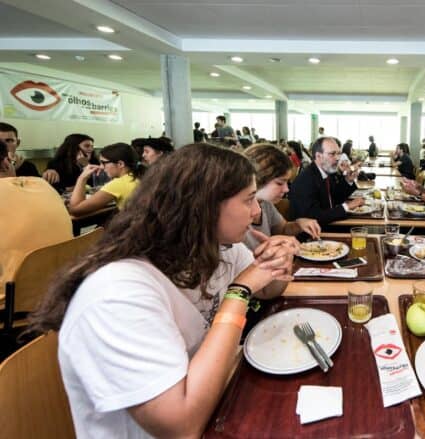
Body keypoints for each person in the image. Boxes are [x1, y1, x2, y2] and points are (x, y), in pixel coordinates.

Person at [28, 143, 298, 438]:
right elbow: (181, 427)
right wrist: (240, 291)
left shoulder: (217, 247)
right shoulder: (118, 294)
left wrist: (275, 264)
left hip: (218, 404)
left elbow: (270, 291)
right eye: (248, 200)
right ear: (203, 205)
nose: (257, 211)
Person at [242, 144, 321, 249]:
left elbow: (282, 229)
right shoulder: (235, 215)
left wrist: (299, 224)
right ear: (257, 179)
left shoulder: (265, 203)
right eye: (279, 183)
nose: (286, 189)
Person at [289, 136, 364, 225]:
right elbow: (313, 217)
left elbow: (335, 199)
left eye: (338, 153)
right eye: (332, 154)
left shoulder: (325, 172)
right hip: (318, 230)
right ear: (318, 156)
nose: (337, 158)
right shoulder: (305, 181)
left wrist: (348, 180)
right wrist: (346, 207)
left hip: (331, 224)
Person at [68, 142, 144, 216]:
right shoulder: (140, 175)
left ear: (120, 164)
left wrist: (82, 178)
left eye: (103, 163)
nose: (101, 167)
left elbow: (75, 210)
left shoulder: (119, 183)